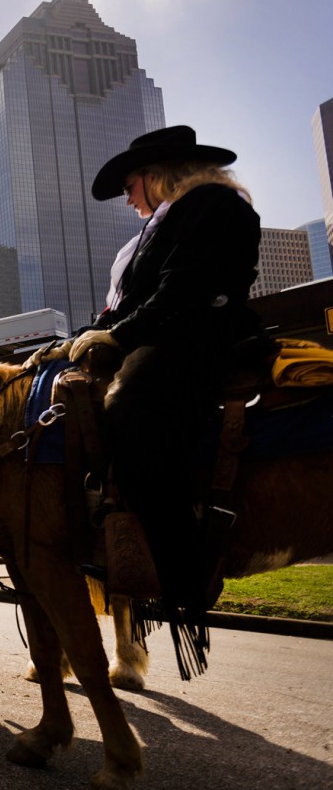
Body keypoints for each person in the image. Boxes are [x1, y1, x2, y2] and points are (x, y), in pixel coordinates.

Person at [68, 125, 267, 622]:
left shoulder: (216, 205)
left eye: (129, 186)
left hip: (197, 336)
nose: (127, 198)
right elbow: (131, 301)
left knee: (129, 407)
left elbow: (183, 289)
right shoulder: (165, 221)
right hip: (161, 330)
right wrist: (87, 334)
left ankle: (181, 573)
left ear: (156, 175)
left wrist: (119, 335)